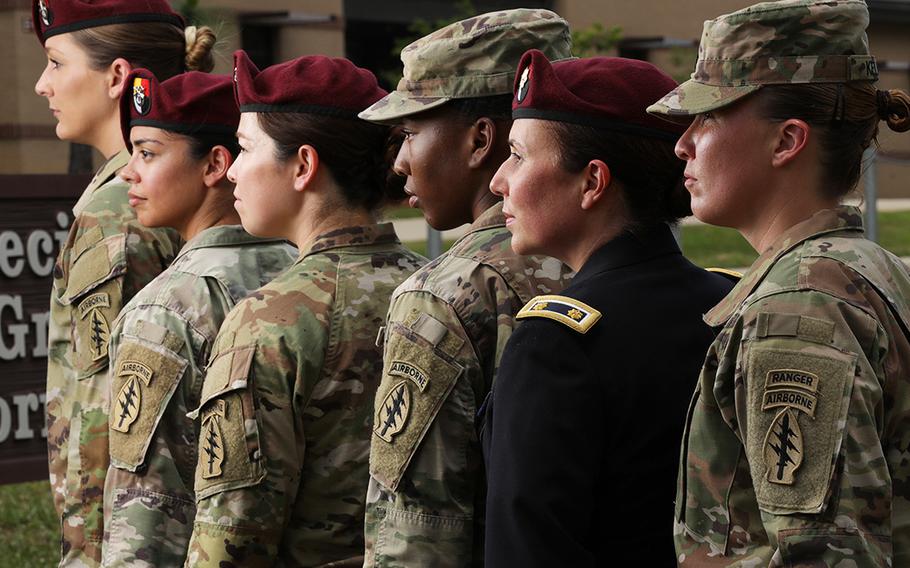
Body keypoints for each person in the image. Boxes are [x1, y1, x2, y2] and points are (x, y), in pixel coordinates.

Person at [646, 0, 910, 565]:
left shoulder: (796, 310)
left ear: (787, 141)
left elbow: (825, 555)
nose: (682, 143)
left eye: (709, 117)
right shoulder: (877, 270)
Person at [481, 49, 736, 566]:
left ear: (592, 182)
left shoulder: (556, 341)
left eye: (519, 155)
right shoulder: (727, 303)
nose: (498, 181)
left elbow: (526, 549)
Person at [184, 50, 425, 567]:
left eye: (245, 149)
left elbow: (231, 537)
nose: (233, 172)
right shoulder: (435, 290)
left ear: (303, 166)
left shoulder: (271, 318)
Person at [357, 9, 575, 567]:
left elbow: (415, 535)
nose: (400, 162)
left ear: (481, 141)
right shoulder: (608, 256)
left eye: (408, 134)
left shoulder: (446, 294)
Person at [32, 0, 216, 564]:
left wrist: (87, 554)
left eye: (56, 63)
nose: (42, 85)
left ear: (116, 77)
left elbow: (106, 410)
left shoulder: (117, 207)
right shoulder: (156, 185)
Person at [100, 69, 297, 567]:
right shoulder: (306, 271)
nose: (129, 171)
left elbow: (145, 517)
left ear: (215, 164)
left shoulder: (165, 309)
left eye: (147, 152)